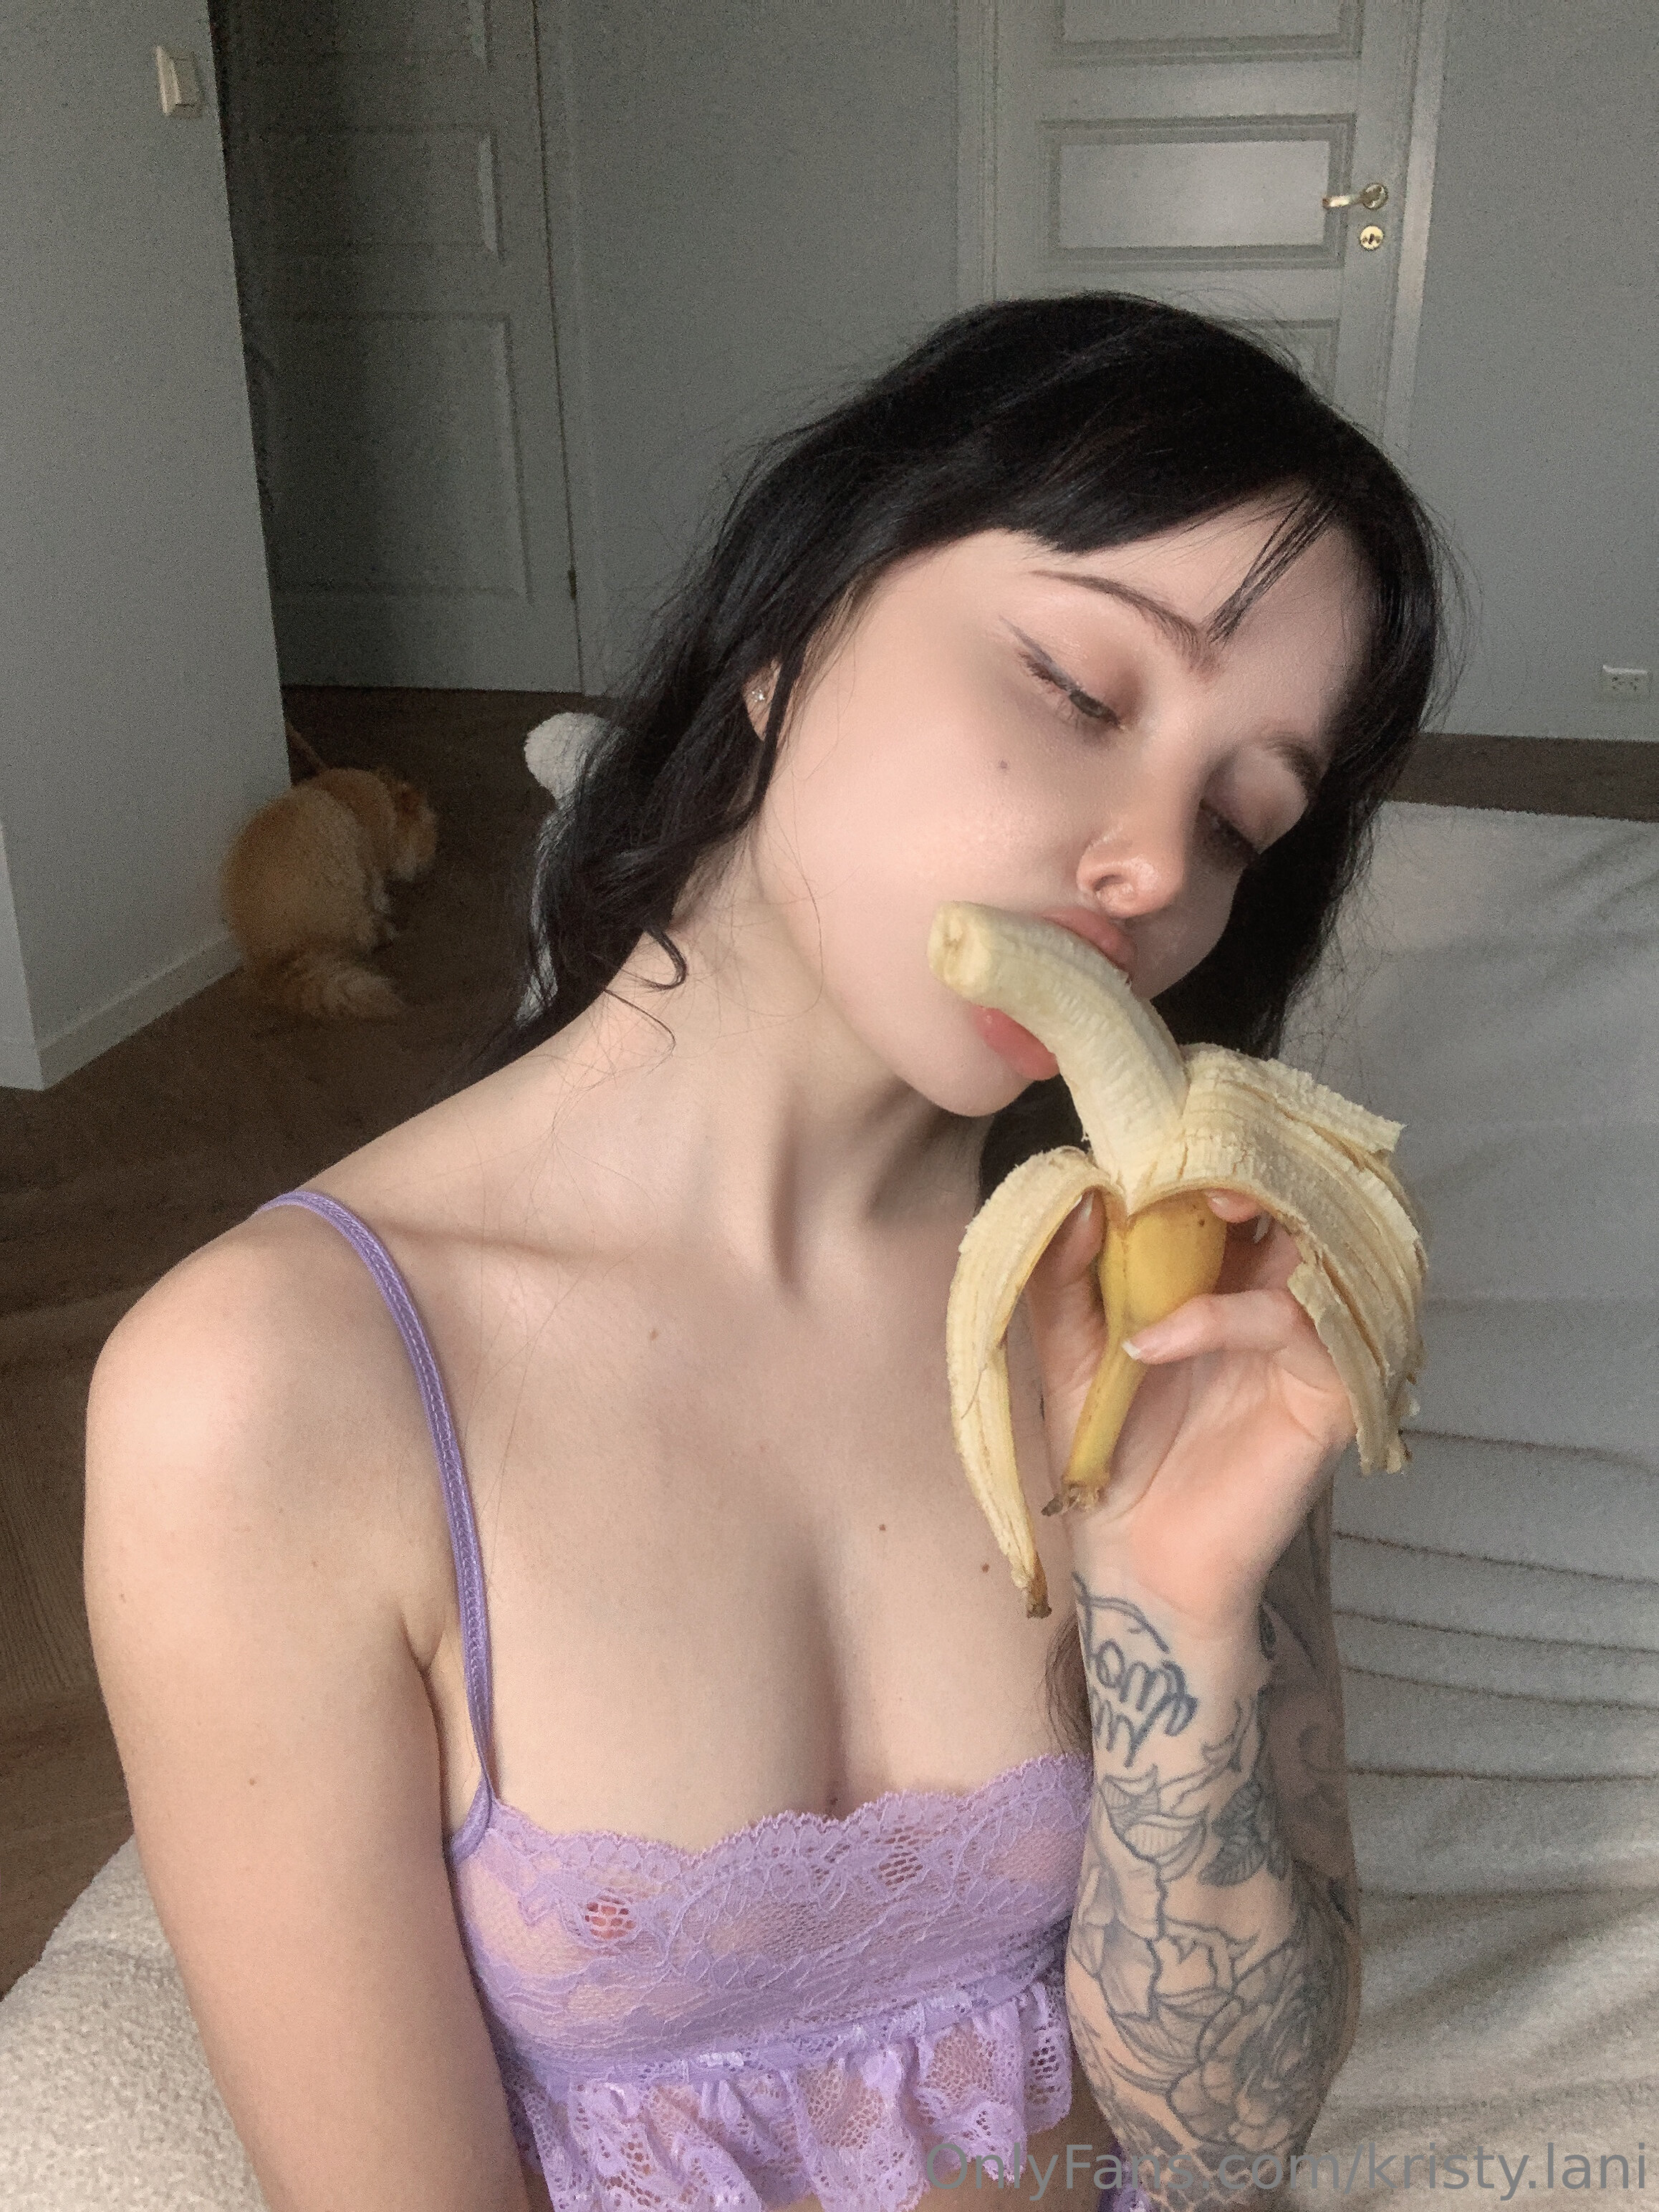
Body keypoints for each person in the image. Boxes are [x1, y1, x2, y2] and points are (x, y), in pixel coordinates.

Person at [82, 294, 1462, 2212]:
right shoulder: (270, 1388)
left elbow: (1231, 2145)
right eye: (1079, 689)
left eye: (1238, 818)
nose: (1154, 870)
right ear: (793, 630)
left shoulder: (1160, 1316)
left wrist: (1179, 1615)